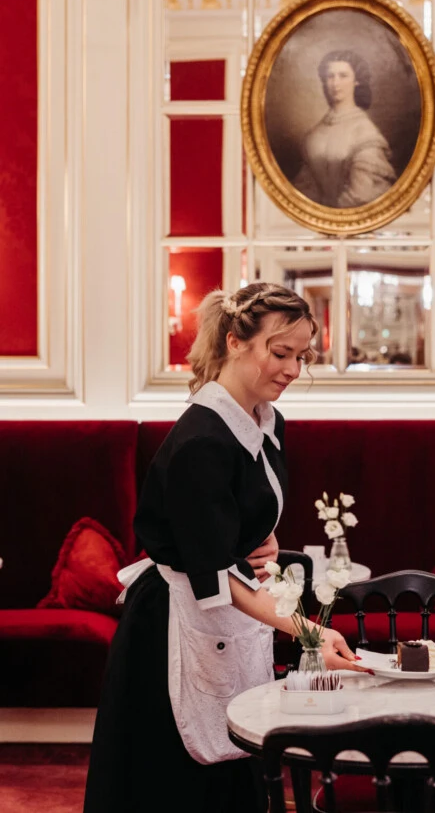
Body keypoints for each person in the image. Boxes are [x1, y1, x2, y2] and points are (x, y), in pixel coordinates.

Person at [83, 282, 364, 813]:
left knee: (235, 766)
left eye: (300, 356)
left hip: (227, 620)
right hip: (171, 625)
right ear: (235, 341)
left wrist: (266, 537)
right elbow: (213, 572)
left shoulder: (266, 422)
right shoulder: (202, 442)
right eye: (280, 353)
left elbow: (245, 514)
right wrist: (309, 632)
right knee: (173, 784)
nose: (292, 370)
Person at [292, 49, 397, 208]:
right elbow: (306, 191)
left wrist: (333, 218)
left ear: (357, 80)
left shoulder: (365, 133)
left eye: (343, 76)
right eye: (330, 76)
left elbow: (364, 194)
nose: (335, 83)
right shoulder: (313, 136)